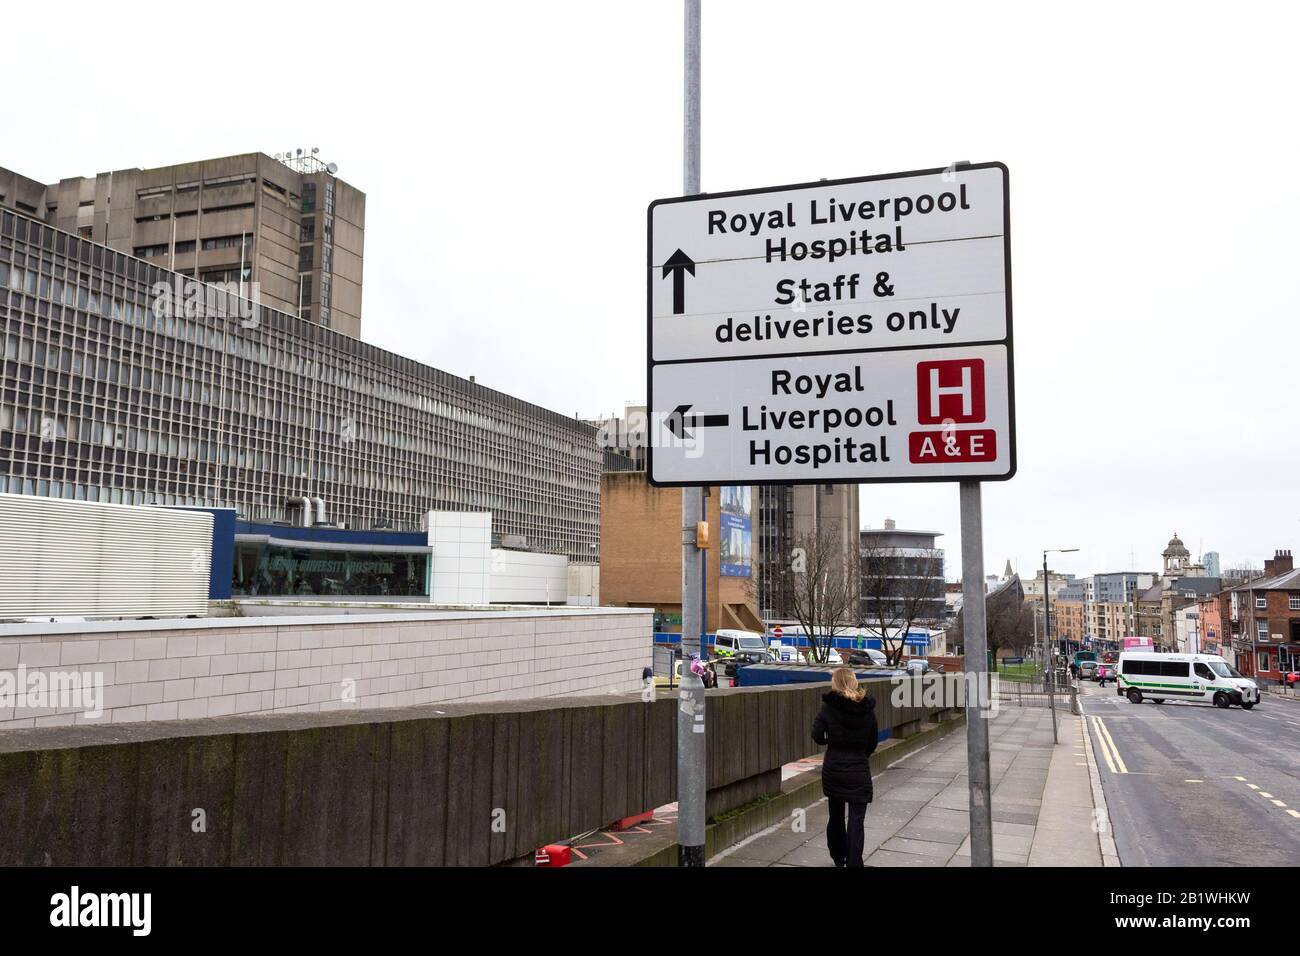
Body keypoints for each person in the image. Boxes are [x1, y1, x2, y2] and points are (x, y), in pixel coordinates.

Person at [811, 667, 879, 867]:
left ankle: (838, 857)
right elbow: (872, 741)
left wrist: (830, 743)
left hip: (834, 769)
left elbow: (817, 735)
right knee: (857, 819)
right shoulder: (867, 710)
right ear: (853, 682)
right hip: (858, 769)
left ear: (836, 683)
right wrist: (860, 755)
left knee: (836, 815)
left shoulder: (828, 708)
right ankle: (854, 862)